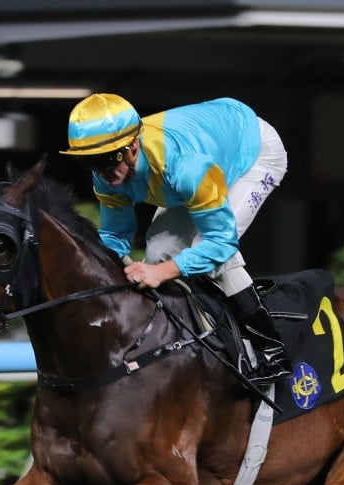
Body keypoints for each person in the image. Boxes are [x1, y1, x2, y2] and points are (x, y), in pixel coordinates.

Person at [61, 93, 292, 384]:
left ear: (133, 146)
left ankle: (272, 349)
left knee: (203, 253)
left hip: (253, 152)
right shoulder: (106, 174)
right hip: (204, 152)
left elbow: (220, 243)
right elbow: (115, 236)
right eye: (90, 163)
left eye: (107, 161)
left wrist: (160, 272)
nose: (102, 174)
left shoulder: (184, 168)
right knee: (158, 252)